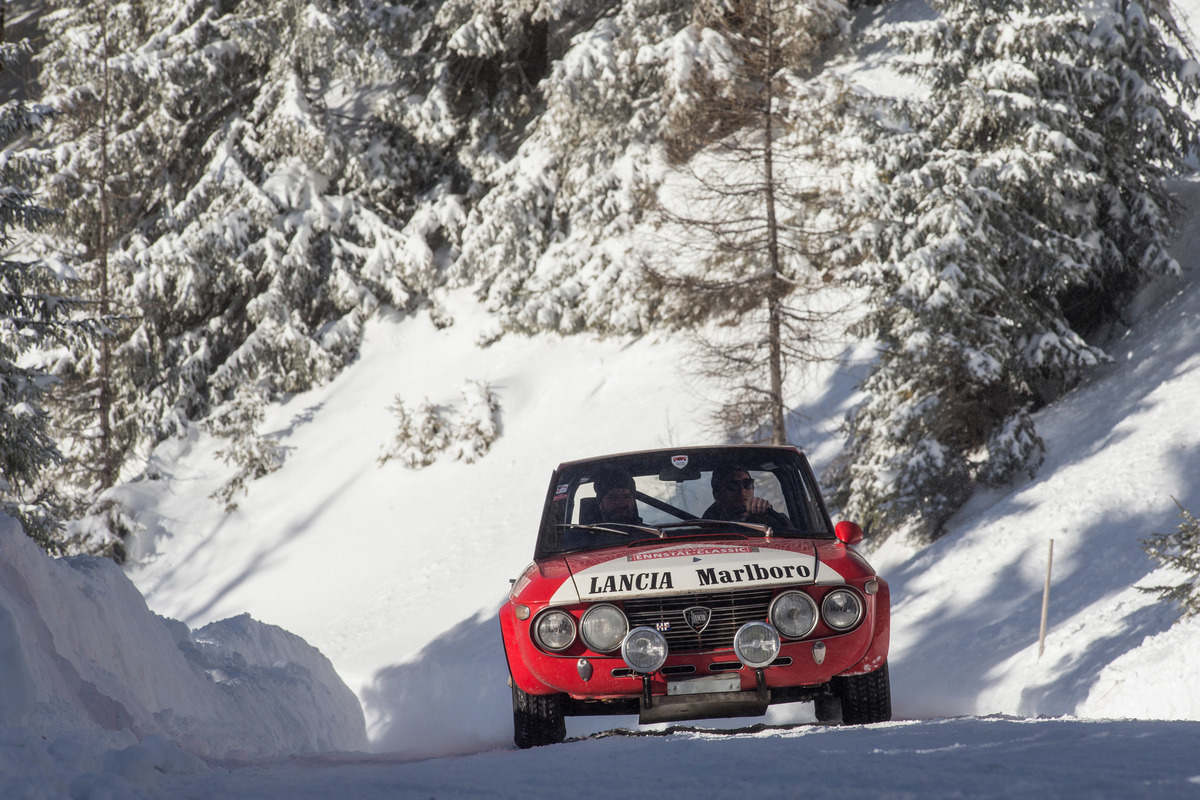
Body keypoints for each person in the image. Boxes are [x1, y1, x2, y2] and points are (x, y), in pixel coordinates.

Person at [703, 466, 790, 528]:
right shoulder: (706, 527)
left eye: (747, 483)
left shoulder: (770, 518)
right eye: (733, 485)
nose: (742, 490)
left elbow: (794, 537)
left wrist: (768, 517)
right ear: (717, 495)